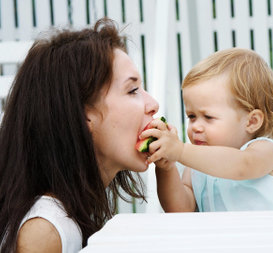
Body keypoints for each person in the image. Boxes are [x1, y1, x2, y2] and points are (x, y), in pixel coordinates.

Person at [0, 18, 159, 252]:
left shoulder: (62, 216)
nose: (153, 104)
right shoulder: (44, 230)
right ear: (84, 117)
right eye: (132, 90)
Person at [145, 48, 273, 212]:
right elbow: (180, 210)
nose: (195, 126)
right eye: (192, 116)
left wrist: (180, 150)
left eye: (208, 117)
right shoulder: (194, 169)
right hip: (227, 238)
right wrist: (166, 169)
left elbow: (243, 166)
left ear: (251, 121)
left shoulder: (265, 151)